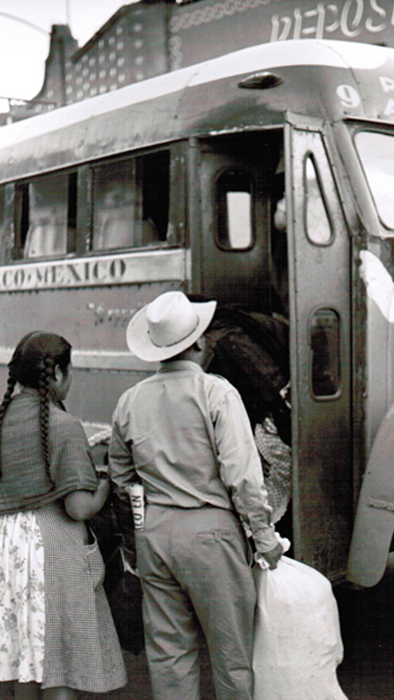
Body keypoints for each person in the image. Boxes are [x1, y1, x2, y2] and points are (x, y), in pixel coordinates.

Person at [108, 290, 283, 700]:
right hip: (212, 537)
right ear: (199, 342)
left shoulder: (129, 402)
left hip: (155, 536)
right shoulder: (216, 393)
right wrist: (264, 537)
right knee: (232, 657)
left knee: (169, 657)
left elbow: (123, 481)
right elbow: (242, 477)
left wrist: (139, 538)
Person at [0, 331, 127, 700]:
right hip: (48, 549)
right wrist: (107, 482)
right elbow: (78, 508)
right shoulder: (63, 425)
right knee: (59, 665)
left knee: (25, 664)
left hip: (0, 552)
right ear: (58, 373)